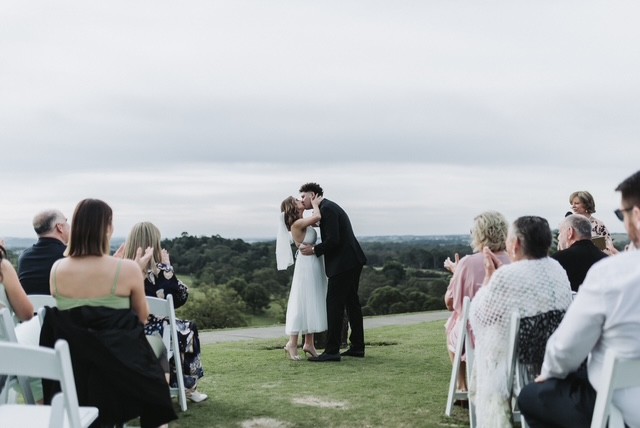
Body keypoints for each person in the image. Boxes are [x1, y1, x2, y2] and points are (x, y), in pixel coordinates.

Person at [518, 171, 640, 428]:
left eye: (622, 215)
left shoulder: (611, 274)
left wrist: (549, 373)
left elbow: (565, 348)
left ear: (637, 216)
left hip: (621, 408)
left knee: (531, 396)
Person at [42, 198, 176, 428]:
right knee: (158, 350)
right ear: (107, 229)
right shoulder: (127, 269)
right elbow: (142, 317)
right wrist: (133, 270)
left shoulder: (57, 270)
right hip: (119, 364)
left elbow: (78, 315)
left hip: (75, 367)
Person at [469, 216, 573, 427]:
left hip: (521, 365)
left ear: (515, 243)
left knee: (487, 356)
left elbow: (480, 316)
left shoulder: (506, 275)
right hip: (554, 357)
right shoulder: (557, 268)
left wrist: (490, 277)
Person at [122, 221, 207, 403]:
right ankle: (189, 387)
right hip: (158, 332)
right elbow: (180, 298)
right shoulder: (161, 271)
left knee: (176, 332)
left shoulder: (120, 269)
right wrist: (168, 267)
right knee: (188, 329)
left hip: (127, 330)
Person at [298, 182, 367, 362]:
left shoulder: (327, 209)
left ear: (313, 195)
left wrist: (314, 249)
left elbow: (333, 240)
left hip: (344, 264)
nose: (301, 200)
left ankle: (332, 351)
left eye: (303, 196)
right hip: (351, 260)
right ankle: (357, 347)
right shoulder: (327, 208)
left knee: (334, 305)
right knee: (352, 304)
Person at [443, 211, 511, 393]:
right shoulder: (514, 260)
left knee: (452, 323)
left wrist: (457, 274)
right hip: (509, 333)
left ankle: (462, 386)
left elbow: (450, 304)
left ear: (480, 234)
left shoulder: (468, 263)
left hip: (476, 335)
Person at [277, 195, 328, 360]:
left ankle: (309, 343)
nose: (301, 200)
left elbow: (318, 222)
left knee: (311, 302)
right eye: (297, 200)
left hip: (314, 263)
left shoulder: (303, 221)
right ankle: (292, 343)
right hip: (306, 266)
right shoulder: (297, 224)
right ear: (293, 207)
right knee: (302, 301)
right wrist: (315, 204)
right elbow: (318, 217)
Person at [18, 209, 69, 295]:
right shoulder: (68, 255)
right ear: (59, 227)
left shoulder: (24, 257)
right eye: (66, 221)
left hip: (30, 303)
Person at [552, 214, 607, 292]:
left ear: (570, 232)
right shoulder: (607, 260)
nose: (558, 237)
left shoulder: (558, 260)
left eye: (560, 232)